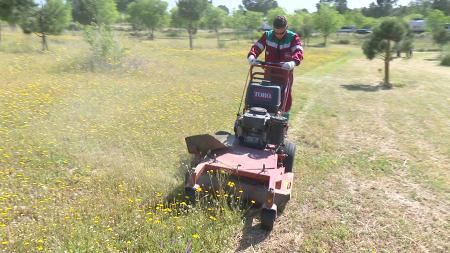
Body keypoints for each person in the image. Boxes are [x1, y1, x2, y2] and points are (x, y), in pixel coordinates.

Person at [247, 15, 304, 113]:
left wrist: (293, 62)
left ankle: (284, 119)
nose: (278, 35)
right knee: (265, 93)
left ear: (286, 28)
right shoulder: (267, 35)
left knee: (285, 94)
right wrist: (252, 56)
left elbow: (298, 51)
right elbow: (257, 46)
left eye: (281, 32)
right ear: (273, 28)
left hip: (285, 72)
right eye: (276, 32)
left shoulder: (293, 37)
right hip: (269, 72)